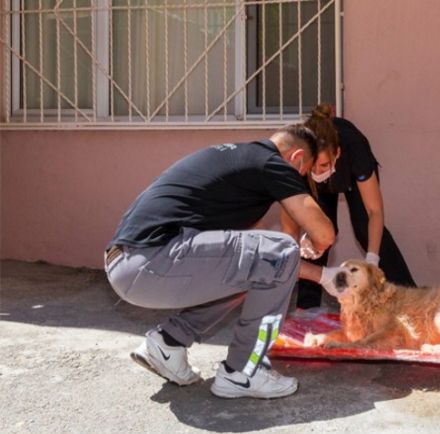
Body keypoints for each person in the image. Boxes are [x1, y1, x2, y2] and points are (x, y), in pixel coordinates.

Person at [104, 125, 344, 399]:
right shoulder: (270, 163)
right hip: (153, 261)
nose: (299, 180)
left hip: (129, 264)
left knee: (259, 265)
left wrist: (325, 276)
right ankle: (244, 372)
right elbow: (324, 235)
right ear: (296, 158)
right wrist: (315, 243)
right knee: (282, 250)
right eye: (303, 173)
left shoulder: (238, 165)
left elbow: (264, 265)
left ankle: (168, 342)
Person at [283, 103, 416, 309]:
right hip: (314, 179)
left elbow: (375, 211)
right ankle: (307, 306)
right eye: (314, 166)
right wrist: (301, 242)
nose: (319, 171)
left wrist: (372, 260)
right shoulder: (298, 158)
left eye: (325, 165)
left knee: (364, 226)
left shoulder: (355, 148)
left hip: (353, 176)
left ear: (337, 153)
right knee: (319, 233)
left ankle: (410, 296)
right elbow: (290, 213)